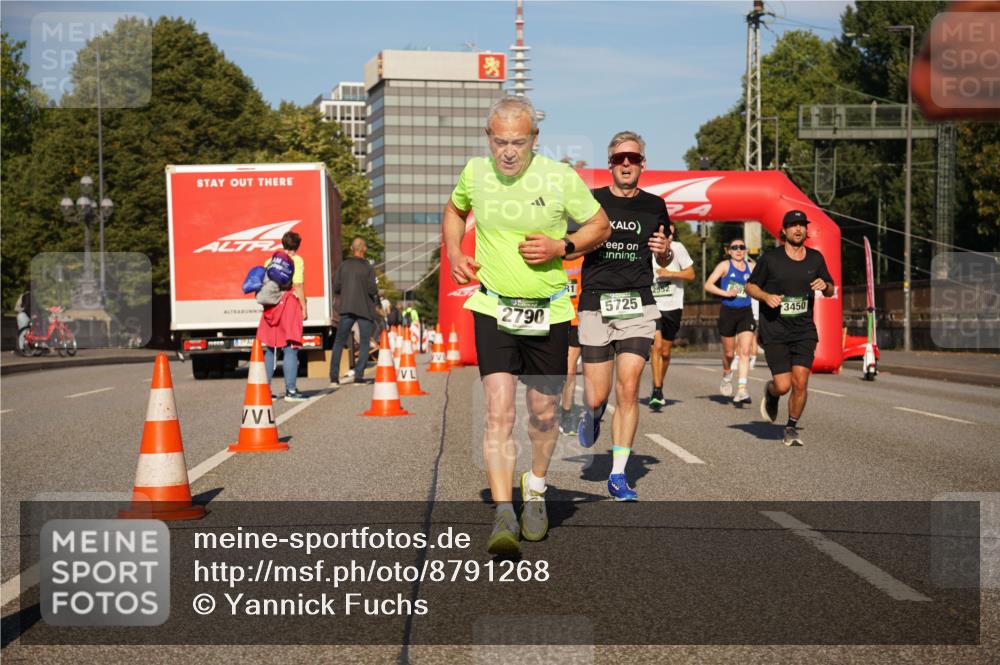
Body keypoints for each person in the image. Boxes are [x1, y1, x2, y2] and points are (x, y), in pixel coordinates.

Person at [443, 95, 610, 553]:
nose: (509, 152)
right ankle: (503, 514)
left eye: (518, 142)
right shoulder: (475, 174)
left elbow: (601, 226)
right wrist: (455, 252)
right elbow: (455, 211)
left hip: (548, 311)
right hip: (494, 307)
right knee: (499, 411)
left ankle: (535, 487)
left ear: (535, 138)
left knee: (544, 413)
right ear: (488, 138)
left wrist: (563, 247)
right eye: (500, 142)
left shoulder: (559, 177)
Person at [576, 131, 670, 502]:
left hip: (637, 303)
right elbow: (572, 246)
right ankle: (593, 412)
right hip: (596, 302)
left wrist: (663, 252)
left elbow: (662, 254)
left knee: (628, 387)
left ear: (642, 164)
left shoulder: (655, 205)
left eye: (632, 158)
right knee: (597, 395)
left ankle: (618, 474)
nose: (626, 164)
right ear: (610, 164)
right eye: (619, 159)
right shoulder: (592, 200)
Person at [746, 210, 835, 446]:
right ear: (784, 231)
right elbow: (750, 286)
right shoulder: (770, 259)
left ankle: (791, 427)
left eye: (802, 225)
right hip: (775, 329)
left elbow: (831, 289)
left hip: (804, 330)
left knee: (801, 382)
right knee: (783, 385)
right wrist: (766, 296)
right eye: (793, 225)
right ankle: (771, 392)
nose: (798, 229)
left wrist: (825, 285)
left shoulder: (815, 258)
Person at [648, 221, 695, 408]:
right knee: (657, 347)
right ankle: (657, 390)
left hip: (673, 306)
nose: (668, 238)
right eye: (666, 234)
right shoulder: (647, 249)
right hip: (653, 305)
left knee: (666, 352)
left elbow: (691, 274)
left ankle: (658, 384)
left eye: (671, 235)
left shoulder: (678, 248)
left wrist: (670, 274)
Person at [704, 240, 757, 404]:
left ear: (745, 250)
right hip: (728, 312)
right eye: (735, 248)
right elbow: (708, 285)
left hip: (746, 312)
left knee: (745, 351)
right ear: (729, 251)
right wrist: (725, 293)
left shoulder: (752, 267)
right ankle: (727, 373)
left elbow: (765, 282)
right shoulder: (724, 266)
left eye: (742, 247)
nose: (739, 250)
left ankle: (742, 389)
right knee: (729, 353)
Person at [258, 232, 308, 401]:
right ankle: (291, 391)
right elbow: (298, 284)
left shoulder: (270, 260)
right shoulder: (297, 260)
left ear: (283, 243)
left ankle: (265, 391)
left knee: (271, 348)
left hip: (271, 307)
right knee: (290, 347)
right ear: (297, 246)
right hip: (288, 305)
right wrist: (304, 308)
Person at [329, 237, 379, 386]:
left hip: (347, 307)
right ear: (364, 249)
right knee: (364, 342)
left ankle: (334, 378)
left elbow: (337, 287)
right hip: (365, 309)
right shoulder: (368, 267)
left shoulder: (343, 266)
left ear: (352, 249)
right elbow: (372, 289)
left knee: (339, 342)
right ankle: (358, 377)